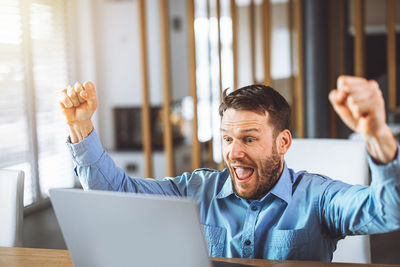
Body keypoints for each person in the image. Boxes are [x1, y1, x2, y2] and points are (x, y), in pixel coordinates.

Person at [59, 76, 400, 261]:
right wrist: (81, 128)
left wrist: (379, 138)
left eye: (249, 139)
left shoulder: (319, 197)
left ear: (283, 143)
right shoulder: (195, 189)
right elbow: (118, 196)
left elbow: (387, 210)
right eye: (226, 139)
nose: (234, 153)